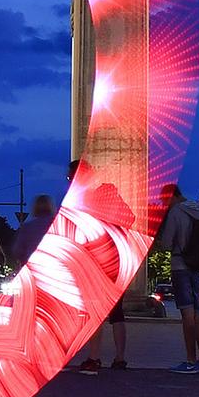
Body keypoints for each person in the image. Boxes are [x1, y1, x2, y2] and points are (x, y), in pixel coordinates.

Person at [69, 158, 127, 373]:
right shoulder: (110, 193)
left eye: (69, 177)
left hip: (96, 261)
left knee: (95, 310)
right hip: (117, 259)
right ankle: (120, 357)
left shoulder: (86, 199)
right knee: (117, 312)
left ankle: (94, 357)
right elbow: (128, 218)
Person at [152, 184, 199, 374]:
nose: (164, 205)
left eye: (164, 201)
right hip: (198, 267)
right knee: (196, 312)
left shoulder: (175, 213)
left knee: (186, 314)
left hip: (180, 266)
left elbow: (166, 243)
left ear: (171, 197)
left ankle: (190, 361)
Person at [10, 194, 53, 263]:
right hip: (54, 265)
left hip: (33, 264)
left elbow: (17, 250)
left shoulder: (27, 227)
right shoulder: (57, 225)